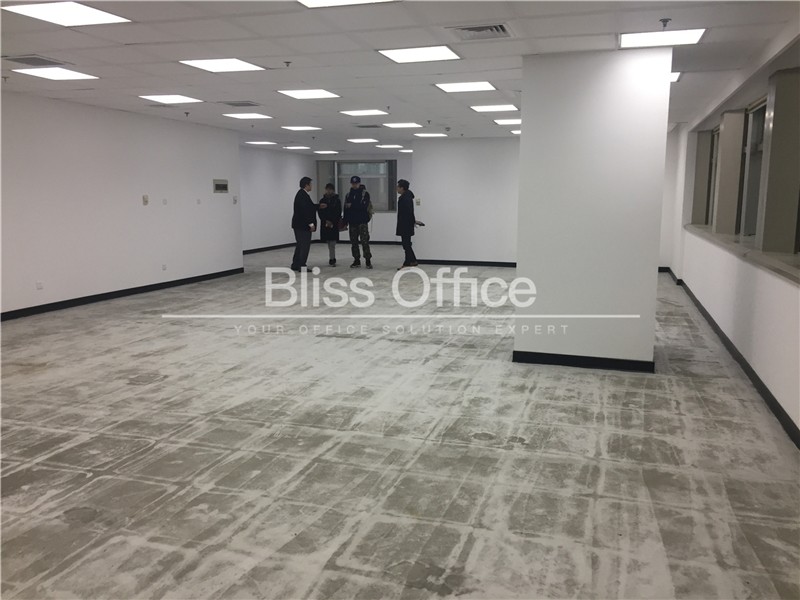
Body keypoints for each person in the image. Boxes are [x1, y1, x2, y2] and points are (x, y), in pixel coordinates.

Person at [343, 175, 372, 269]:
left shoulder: (365, 194)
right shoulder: (348, 195)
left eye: (356, 183)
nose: (354, 185)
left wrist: (352, 205)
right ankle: (356, 260)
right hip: (352, 222)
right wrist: (345, 221)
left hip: (362, 222)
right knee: (353, 242)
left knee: (365, 241)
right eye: (353, 183)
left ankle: (368, 260)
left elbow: (363, 206)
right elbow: (346, 209)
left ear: (359, 183)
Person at [290, 176, 316, 271]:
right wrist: (311, 223)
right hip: (303, 225)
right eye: (310, 184)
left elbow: (309, 207)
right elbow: (305, 211)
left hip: (298, 224)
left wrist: (318, 206)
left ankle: (295, 264)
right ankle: (302, 265)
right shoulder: (303, 196)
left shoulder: (301, 194)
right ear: (306, 185)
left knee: (300, 245)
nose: (311, 186)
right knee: (304, 245)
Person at [396, 179, 422, 269]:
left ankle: (409, 261)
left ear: (402, 188)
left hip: (405, 225)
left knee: (406, 244)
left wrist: (413, 221)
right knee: (406, 244)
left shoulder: (406, 198)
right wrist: (413, 221)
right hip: (405, 223)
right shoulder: (405, 196)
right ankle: (411, 261)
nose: (397, 188)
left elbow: (409, 212)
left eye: (398, 187)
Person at [318, 183, 342, 266]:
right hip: (325, 223)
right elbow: (320, 212)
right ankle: (332, 257)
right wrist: (325, 220)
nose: (328, 191)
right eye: (327, 189)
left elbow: (338, 212)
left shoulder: (337, 200)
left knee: (332, 242)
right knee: (328, 241)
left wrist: (332, 221)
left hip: (333, 224)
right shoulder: (322, 200)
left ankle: (332, 258)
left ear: (333, 190)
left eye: (330, 189)